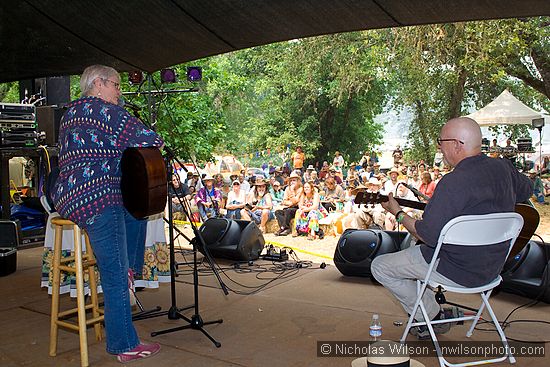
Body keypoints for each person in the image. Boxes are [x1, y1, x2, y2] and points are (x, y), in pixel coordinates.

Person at [371, 117, 533, 340]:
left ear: (457, 144)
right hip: (491, 270)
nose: (440, 147)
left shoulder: (453, 181)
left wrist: (397, 212)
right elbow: (527, 190)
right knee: (412, 256)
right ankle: (429, 312)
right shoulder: (503, 168)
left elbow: (426, 234)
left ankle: (431, 316)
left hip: (454, 269)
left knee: (380, 266)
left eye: (441, 141)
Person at [52, 65, 162, 362]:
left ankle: (128, 266)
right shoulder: (106, 112)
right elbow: (151, 139)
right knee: (113, 278)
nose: (119, 92)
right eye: (116, 86)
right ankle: (124, 345)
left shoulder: (69, 113)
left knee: (136, 211)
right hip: (96, 198)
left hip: (67, 197)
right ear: (98, 84)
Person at [274, 171, 303, 236]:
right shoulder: (287, 188)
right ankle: (285, 228)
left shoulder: (301, 189)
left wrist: (292, 191)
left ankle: (283, 228)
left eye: (294, 180)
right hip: (289, 207)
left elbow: (296, 201)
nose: (292, 182)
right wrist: (290, 203)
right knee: (277, 212)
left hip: (297, 209)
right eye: (291, 180)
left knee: (288, 210)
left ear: (298, 181)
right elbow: (284, 201)